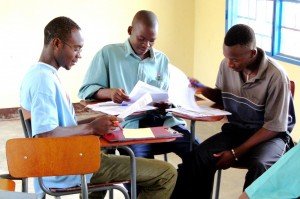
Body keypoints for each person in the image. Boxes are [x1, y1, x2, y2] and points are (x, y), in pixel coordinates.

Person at [20, 16, 177, 199]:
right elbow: (45, 135)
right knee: (166, 174)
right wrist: (91, 128)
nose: (79, 55)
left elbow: (54, 127)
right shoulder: (43, 81)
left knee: (109, 151)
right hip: (71, 166)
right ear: (57, 43)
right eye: (76, 48)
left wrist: (93, 122)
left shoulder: (38, 73)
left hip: (71, 159)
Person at [171, 24, 296, 198]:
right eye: (226, 57)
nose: (229, 64)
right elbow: (224, 98)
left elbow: (274, 127)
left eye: (235, 59)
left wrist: (236, 152)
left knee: (260, 166)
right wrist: (201, 88)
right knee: (197, 157)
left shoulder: (276, 76)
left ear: (252, 53)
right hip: (238, 131)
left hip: (271, 137)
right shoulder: (227, 64)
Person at [78, 10, 198, 159]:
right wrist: (110, 93)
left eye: (152, 40)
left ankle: (181, 182)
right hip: (129, 124)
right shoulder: (109, 53)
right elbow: (86, 91)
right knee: (141, 163)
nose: (146, 45)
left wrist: (166, 104)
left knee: (198, 151)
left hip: (162, 120)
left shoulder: (162, 60)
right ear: (130, 31)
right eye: (141, 38)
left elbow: (164, 94)